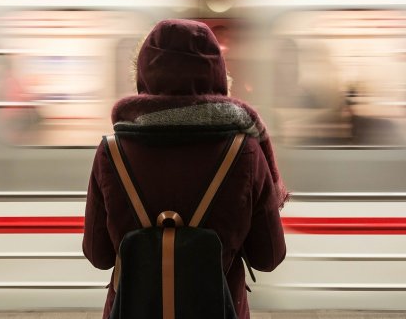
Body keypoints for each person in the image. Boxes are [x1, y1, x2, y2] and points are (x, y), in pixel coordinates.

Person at [83, 19, 288, 319]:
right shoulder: (245, 151)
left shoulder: (111, 152)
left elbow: (98, 255)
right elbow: (269, 256)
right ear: (217, 73)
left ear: (144, 74)